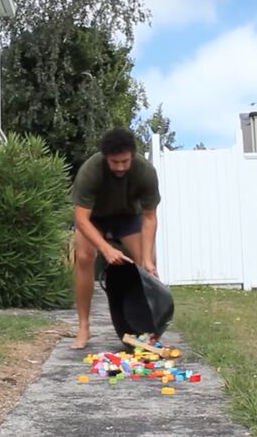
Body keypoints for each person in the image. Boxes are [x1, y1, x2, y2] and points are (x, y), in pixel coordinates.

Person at [70, 128, 161, 349]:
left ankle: (147, 330)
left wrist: (148, 259)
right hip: (94, 219)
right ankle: (83, 327)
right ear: (105, 157)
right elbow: (81, 219)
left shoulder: (145, 172)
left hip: (128, 217)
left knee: (145, 264)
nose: (120, 166)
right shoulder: (90, 171)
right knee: (83, 256)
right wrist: (106, 249)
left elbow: (149, 217)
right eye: (115, 162)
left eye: (125, 161)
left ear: (132, 155)